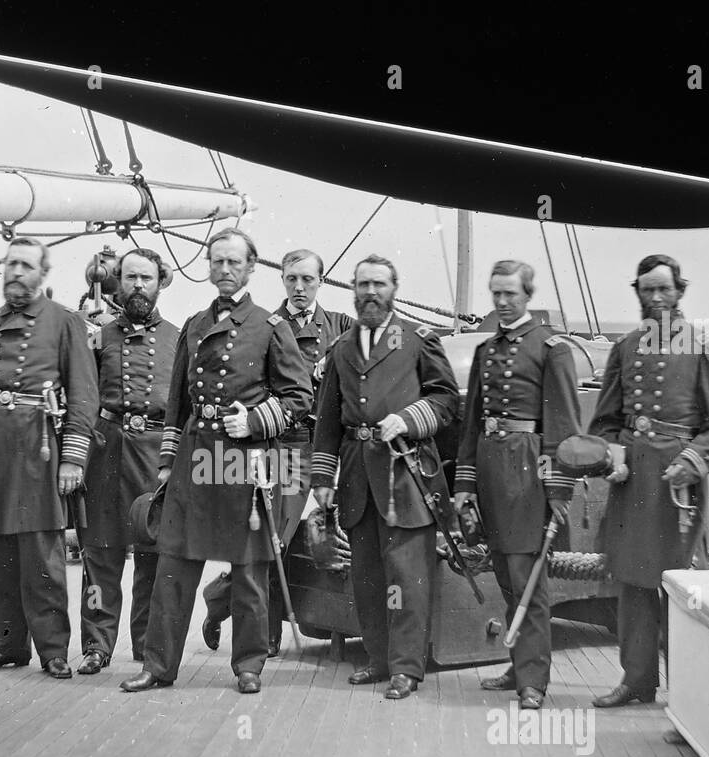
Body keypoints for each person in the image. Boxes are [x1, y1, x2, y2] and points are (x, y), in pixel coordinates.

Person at [119, 228, 312, 694]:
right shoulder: (193, 325)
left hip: (242, 463)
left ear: (250, 268)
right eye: (217, 262)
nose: (224, 270)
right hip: (193, 458)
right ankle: (158, 665)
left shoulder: (271, 327)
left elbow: (299, 397)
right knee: (173, 564)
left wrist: (257, 422)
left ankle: (248, 665)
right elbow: (176, 405)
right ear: (208, 267)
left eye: (234, 263)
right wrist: (167, 465)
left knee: (248, 570)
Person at [588, 254, 709, 707]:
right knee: (632, 583)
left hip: (678, 483)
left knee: (678, 586)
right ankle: (637, 681)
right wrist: (611, 453)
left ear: (680, 292)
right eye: (647, 290)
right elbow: (606, 421)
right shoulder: (625, 348)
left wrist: (692, 460)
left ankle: (689, 695)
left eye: (664, 289)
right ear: (637, 292)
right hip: (632, 479)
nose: (655, 298)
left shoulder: (703, 347)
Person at [311, 255, 458, 700]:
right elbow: (328, 419)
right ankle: (377, 659)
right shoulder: (341, 347)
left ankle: (406, 668)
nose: (370, 292)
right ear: (353, 291)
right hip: (356, 476)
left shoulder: (418, 339)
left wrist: (409, 420)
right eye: (362, 285)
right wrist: (322, 475)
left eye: (378, 284)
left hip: (404, 474)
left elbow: (446, 400)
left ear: (394, 288)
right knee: (367, 576)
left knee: (406, 578)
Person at [200, 248, 354, 656]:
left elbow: (364, 350)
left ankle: (219, 601)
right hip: (278, 446)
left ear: (322, 281)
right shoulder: (267, 325)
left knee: (305, 541)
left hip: (321, 448)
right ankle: (255, 635)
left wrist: (333, 358)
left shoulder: (340, 326)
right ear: (282, 281)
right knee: (272, 541)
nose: (299, 287)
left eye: (307, 279)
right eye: (291, 279)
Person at [452, 261, 581, 710]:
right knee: (506, 577)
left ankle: (533, 681)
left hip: (528, 473)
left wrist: (558, 489)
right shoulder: (486, 350)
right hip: (490, 470)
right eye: (496, 294)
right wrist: (465, 484)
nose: (503, 302)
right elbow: (471, 424)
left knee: (529, 579)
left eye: (511, 294)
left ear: (528, 295)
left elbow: (563, 423)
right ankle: (519, 665)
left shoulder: (552, 347)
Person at [0, 237, 98, 679]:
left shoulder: (64, 322)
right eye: (10, 264)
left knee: (43, 557)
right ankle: (9, 646)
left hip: (41, 450)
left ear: (42, 275)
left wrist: (73, 459)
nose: (16, 272)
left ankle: (53, 650)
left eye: (26, 265)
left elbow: (84, 394)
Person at [76, 248, 179, 673]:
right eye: (131, 277)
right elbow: (81, 395)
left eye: (147, 278)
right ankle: (97, 646)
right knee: (100, 551)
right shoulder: (97, 336)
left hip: (155, 453)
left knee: (152, 549)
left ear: (160, 283)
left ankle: (146, 645)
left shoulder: (178, 338)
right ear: (119, 281)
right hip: (107, 450)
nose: (139, 285)